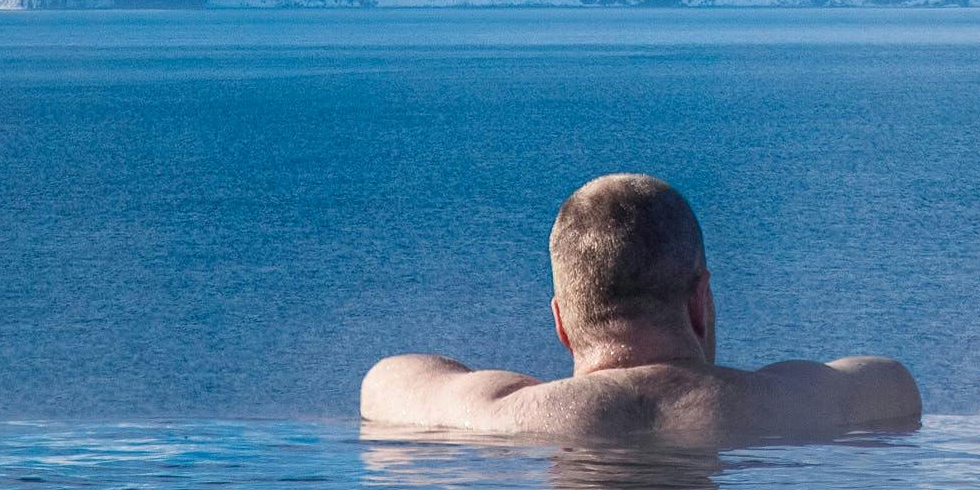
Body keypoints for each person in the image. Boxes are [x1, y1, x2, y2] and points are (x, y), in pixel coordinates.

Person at [362, 174, 921, 443]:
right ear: (700, 301)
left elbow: (385, 380)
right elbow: (892, 379)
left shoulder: (500, 416)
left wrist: (522, 393)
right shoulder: (791, 404)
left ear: (561, 321)